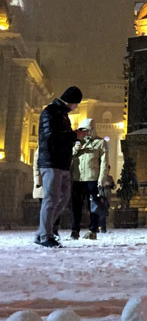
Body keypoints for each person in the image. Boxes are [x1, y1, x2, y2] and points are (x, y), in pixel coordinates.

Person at [35, 86, 84, 248]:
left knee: (62, 198)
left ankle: (43, 231)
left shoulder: (62, 115)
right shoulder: (50, 112)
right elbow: (51, 136)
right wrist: (74, 135)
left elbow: (62, 137)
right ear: (70, 101)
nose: (75, 107)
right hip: (51, 161)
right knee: (51, 199)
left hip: (62, 162)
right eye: (76, 103)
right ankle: (45, 235)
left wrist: (75, 137)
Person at [70, 119, 109, 240]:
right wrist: (75, 149)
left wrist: (101, 178)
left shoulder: (100, 143)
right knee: (76, 206)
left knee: (93, 206)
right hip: (77, 178)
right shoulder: (76, 143)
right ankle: (74, 230)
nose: (84, 133)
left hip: (92, 178)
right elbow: (68, 157)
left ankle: (93, 230)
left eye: (86, 130)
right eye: (82, 130)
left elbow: (104, 162)